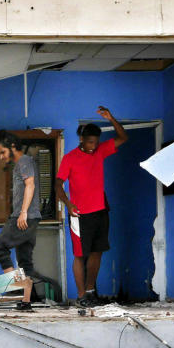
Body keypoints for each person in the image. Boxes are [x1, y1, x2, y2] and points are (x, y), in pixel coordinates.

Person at [54, 106, 128, 307]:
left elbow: (123, 137)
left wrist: (111, 117)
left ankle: (90, 291)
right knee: (80, 255)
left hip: (100, 211)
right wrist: (68, 204)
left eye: (96, 142)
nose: (93, 146)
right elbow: (58, 185)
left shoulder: (100, 151)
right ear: (81, 139)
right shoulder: (70, 158)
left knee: (97, 252)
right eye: (89, 142)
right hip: (78, 214)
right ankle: (80, 297)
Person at [0, 130, 38, 305]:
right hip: (29, 217)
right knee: (24, 260)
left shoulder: (24, 161)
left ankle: (16, 287)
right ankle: (27, 299)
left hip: (24, 217)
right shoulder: (20, 164)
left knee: (0, 249)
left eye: (2, 152)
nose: (1, 157)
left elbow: (30, 185)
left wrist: (23, 212)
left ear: (12, 146)